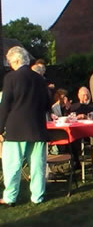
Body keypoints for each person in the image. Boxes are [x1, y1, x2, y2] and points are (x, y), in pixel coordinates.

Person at [0, 46, 51, 206]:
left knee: (12, 165)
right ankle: (37, 196)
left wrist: (0, 128)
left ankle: (10, 197)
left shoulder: (11, 78)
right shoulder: (40, 79)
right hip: (37, 126)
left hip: (16, 127)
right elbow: (47, 104)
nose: (9, 65)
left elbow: (5, 105)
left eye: (10, 62)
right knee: (37, 164)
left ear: (16, 60)